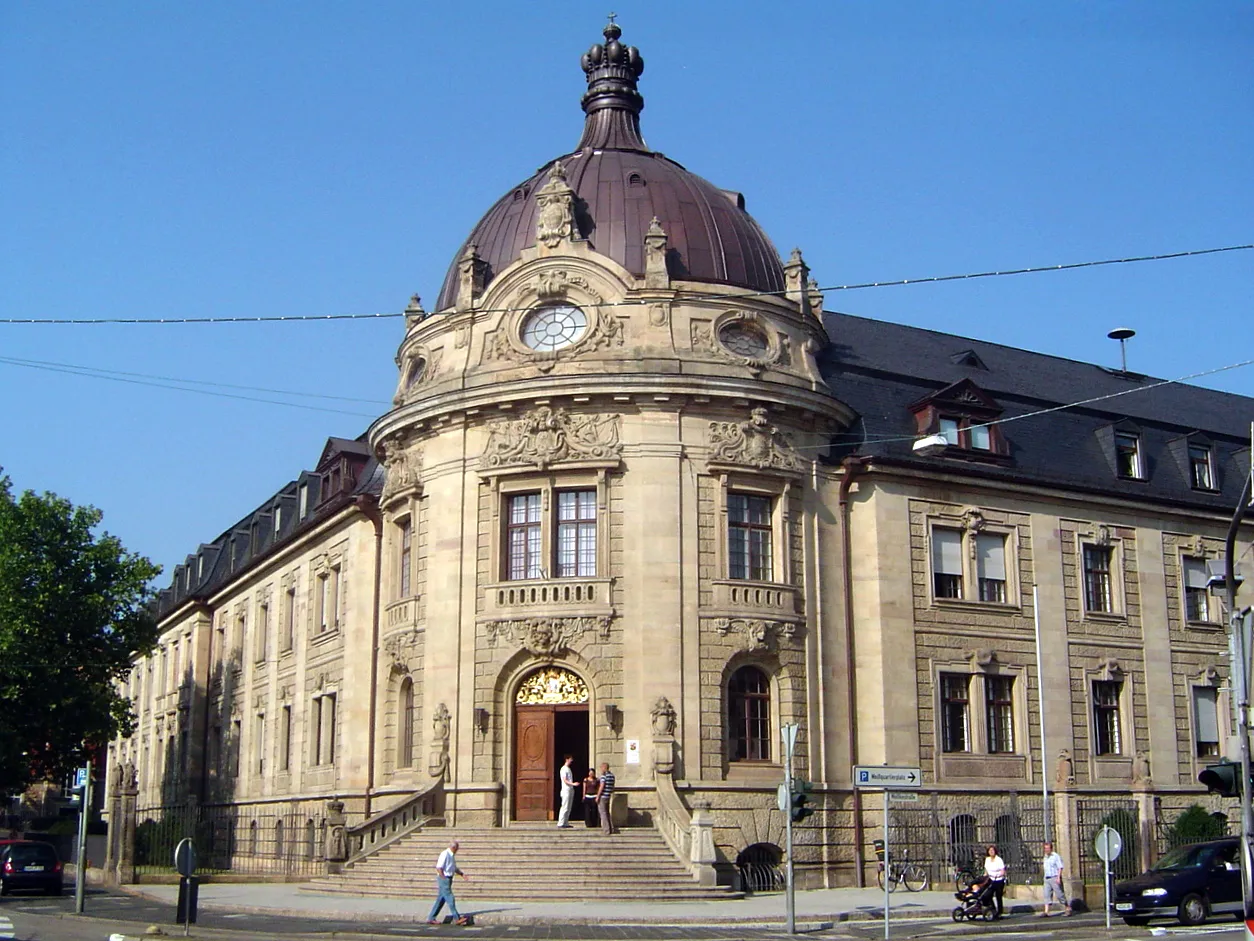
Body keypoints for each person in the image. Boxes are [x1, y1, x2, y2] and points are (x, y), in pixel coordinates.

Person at [427, 840, 470, 926]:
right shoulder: (445, 854)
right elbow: (439, 867)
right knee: (450, 897)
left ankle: (431, 918)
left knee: (441, 899)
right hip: (444, 878)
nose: (457, 850)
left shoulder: (451, 856)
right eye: (457, 848)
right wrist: (443, 877)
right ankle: (457, 918)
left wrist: (462, 874)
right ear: (453, 848)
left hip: (449, 878)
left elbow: (453, 868)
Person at [1040, 840, 1070, 916]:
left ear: (1051, 849)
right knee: (1047, 895)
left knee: (1060, 894)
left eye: (1047, 848)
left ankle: (1067, 907)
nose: (1046, 850)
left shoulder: (1055, 856)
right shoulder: (1045, 857)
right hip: (1047, 878)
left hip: (1054, 877)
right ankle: (1046, 911)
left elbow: (1060, 867)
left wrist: (1058, 877)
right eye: (1045, 848)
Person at [983, 844, 1007, 919]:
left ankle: (999, 912)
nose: (991, 852)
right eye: (990, 851)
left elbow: (1003, 871)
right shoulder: (987, 859)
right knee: (987, 895)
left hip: (999, 880)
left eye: (992, 850)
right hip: (991, 880)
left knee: (998, 896)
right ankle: (993, 910)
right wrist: (984, 877)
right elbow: (986, 870)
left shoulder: (998, 860)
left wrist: (999, 875)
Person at [596, 761, 616, 836]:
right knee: (607, 812)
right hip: (608, 795)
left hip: (603, 796)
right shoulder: (612, 776)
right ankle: (612, 828)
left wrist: (598, 796)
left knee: (603, 813)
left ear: (604, 768)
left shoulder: (604, 776)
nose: (601, 769)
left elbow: (601, 786)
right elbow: (613, 786)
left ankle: (606, 830)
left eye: (601, 767)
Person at [556, 754, 575, 828]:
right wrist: (573, 784)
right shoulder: (564, 769)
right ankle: (561, 822)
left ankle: (565, 822)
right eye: (571, 759)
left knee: (569, 806)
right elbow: (565, 780)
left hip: (570, 789)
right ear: (567, 759)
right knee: (565, 806)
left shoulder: (568, 769)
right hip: (566, 790)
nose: (572, 760)